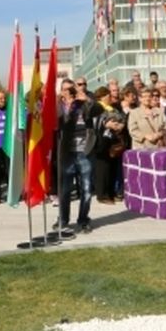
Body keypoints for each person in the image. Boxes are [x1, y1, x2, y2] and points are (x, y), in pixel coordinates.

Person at [56, 79, 93, 234]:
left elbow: (98, 110)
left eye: (71, 90)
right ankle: (63, 219)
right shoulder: (59, 107)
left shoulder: (83, 104)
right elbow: (62, 122)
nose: (68, 93)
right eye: (65, 90)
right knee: (65, 190)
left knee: (87, 189)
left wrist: (86, 99)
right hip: (67, 153)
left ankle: (83, 220)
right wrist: (69, 106)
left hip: (84, 152)